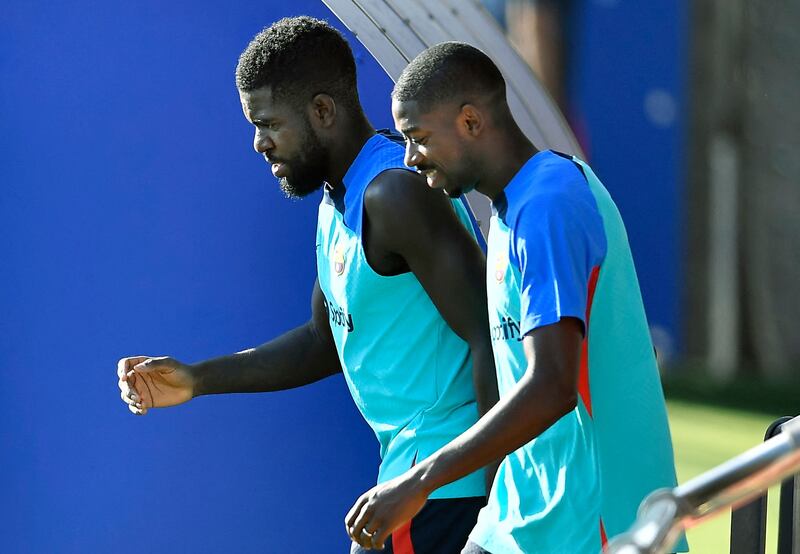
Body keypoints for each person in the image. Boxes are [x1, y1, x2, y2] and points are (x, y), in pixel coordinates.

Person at [117, 19, 499, 553]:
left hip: (449, 493)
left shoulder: (395, 195)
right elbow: (326, 340)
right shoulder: (335, 200)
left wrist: (498, 502)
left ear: (322, 112)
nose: (258, 143)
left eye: (268, 123)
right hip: (412, 486)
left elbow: (490, 335)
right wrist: (197, 378)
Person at [345, 42, 687, 554]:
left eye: (418, 138)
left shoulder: (550, 204)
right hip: (520, 522)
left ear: (470, 122)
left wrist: (419, 482)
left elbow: (552, 386)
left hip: (593, 528)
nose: (411, 158)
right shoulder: (512, 208)